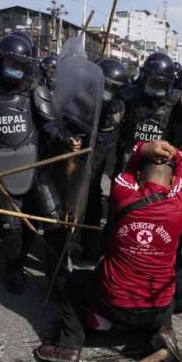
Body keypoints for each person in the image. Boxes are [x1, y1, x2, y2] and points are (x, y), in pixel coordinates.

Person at [33, 140, 182, 362]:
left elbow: (128, 168)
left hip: (113, 304)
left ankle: (69, 348)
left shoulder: (122, 193)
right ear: (172, 180)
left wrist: (143, 149)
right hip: (157, 308)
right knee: (172, 287)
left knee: (74, 282)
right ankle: (163, 328)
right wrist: (176, 154)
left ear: (140, 178)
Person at [0, 34, 52, 294]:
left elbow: (49, 124)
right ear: (1, 62)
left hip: (32, 164)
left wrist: (68, 140)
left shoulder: (34, 90)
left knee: (32, 220)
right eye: (11, 62)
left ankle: (21, 257)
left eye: (21, 64)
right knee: (9, 224)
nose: (16, 69)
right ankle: (13, 269)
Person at [81, 57, 130, 260]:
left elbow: (110, 138)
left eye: (114, 88)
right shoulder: (79, 98)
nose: (109, 91)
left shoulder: (117, 108)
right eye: (105, 86)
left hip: (97, 163)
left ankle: (90, 247)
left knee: (92, 201)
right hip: (73, 159)